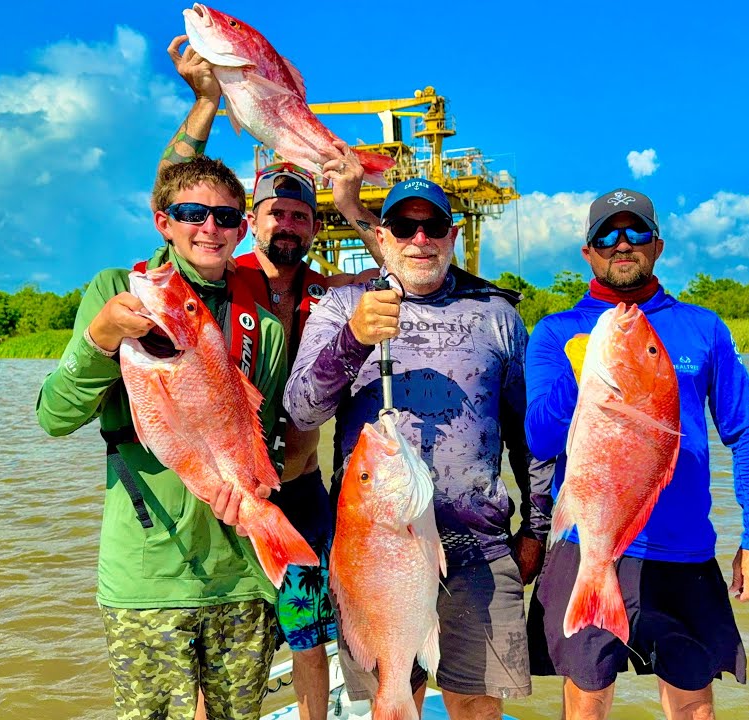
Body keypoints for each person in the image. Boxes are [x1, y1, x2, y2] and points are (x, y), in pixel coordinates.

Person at [159, 35, 382, 720]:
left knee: (308, 634)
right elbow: (172, 191)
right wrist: (204, 104)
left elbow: (405, 274)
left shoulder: (332, 293)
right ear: (249, 222)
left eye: (300, 214)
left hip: (302, 489)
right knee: (219, 645)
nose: (287, 223)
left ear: (313, 226)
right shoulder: (220, 281)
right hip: (229, 494)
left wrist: (353, 207)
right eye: (275, 212)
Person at [284, 176, 552, 720]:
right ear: (383, 236)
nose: (420, 239)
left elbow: (529, 438)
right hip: (373, 552)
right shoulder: (341, 307)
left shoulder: (496, 315)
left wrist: (537, 528)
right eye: (405, 226)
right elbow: (301, 410)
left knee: (476, 703)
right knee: (394, 692)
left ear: (453, 235)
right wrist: (354, 339)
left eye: (432, 226)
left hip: (481, 548)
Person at [35, 155, 289, 720]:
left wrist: (254, 498)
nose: (210, 228)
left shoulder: (265, 329)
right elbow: (54, 417)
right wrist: (100, 339)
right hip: (146, 576)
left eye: (226, 217)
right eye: (191, 213)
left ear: (243, 228)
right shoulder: (114, 293)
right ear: (163, 222)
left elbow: (259, 439)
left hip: (243, 578)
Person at [524, 188, 749, 720]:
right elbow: (540, 440)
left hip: (682, 551)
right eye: (607, 235)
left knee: (694, 708)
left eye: (636, 232)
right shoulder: (555, 332)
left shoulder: (702, 327)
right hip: (588, 541)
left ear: (657, 245)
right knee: (587, 701)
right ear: (588, 251)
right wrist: (578, 382)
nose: (623, 244)